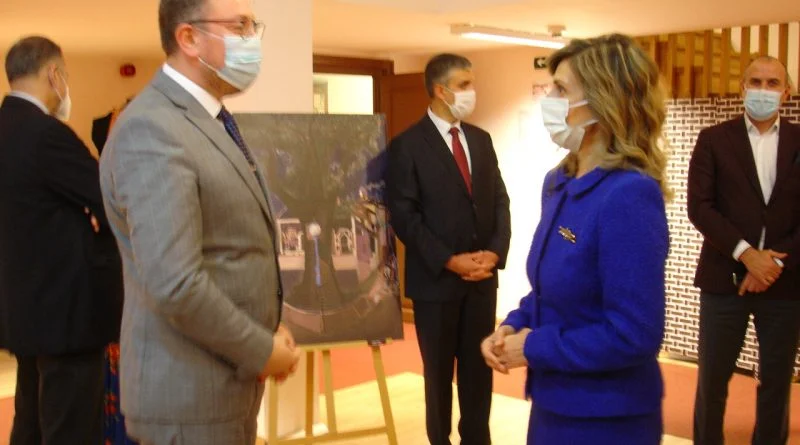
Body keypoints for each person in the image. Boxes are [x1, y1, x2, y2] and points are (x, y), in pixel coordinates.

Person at [99, 0, 300, 444]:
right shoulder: (152, 128)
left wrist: (265, 329)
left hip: (221, 388)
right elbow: (175, 283)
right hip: (187, 398)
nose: (252, 40)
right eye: (240, 26)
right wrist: (260, 349)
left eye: (253, 26)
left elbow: (229, 250)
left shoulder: (207, 119)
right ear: (188, 38)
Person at [481, 33, 671, 445]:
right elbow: (551, 290)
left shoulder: (629, 195)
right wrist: (513, 325)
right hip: (554, 402)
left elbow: (633, 334)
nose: (548, 99)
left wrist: (534, 348)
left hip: (608, 417)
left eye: (561, 90)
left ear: (603, 101)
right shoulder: (559, 182)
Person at [0, 36, 123, 444]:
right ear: (54, 74)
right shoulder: (46, 134)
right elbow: (107, 198)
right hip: (67, 316)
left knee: (30, 424)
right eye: (65, 75)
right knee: (70, 429)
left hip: (22, 312)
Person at [386, 53, 511, 445]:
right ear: (440, 90)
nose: (471, 92)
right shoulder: (407, 145)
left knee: (479, 372)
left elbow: (500, 201)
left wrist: (495, 252)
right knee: (438, 376)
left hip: (481, 282)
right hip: (436, 284)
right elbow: (405, 218)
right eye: (464, 85)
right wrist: (449, 260)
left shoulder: (481, 140)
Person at [688, 55, 800, 445]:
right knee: (712, 381)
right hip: (723, 280)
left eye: (772, 83)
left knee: (776, 383)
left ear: (787, 92)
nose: (763, 90)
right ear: (742, 88)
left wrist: (772, 262)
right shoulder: (714, 139)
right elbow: (700, 207)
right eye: (755, 82)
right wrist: (746, 254)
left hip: (785, 283)